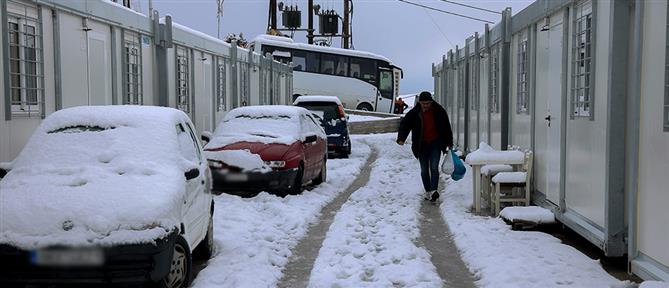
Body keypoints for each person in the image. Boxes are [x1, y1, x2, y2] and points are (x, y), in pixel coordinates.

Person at [396, 91, 453, 202]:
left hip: (435, 143)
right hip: (421, 145)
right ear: (420, 103)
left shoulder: (439, 111)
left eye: (428, 103)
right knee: (424, 170)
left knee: (434, 167)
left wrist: (449, 142)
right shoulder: (414, 113)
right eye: (423, 104)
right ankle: (427, 191)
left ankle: (433, 191)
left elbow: (446, 127)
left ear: (431, 102)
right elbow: (405, 125)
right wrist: (401, 138)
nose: (426, 106)